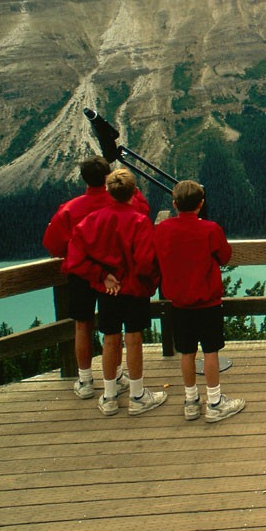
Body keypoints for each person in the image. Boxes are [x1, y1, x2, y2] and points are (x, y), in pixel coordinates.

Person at [43, 156, 150, 399]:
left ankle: (85, 380)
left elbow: (53, 245)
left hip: (83, 273)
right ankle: (119, 376)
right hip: (117, 275)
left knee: (83, 324)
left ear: (84, 179)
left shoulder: (70, 209)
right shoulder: (128, 202)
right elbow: (143, 210)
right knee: (114, 329)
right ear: (108, 176)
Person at [65, 169, 165, 416]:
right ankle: (137, 395)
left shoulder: (91, 221)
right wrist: (148, 284)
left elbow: (74, 261)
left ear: (108, 191)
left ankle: (109, 396)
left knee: (110, 338)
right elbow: (144, 261)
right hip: (134, 290)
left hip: (107, 291)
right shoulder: (140, 221)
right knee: (134, 339)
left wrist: (101, 276)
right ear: (134, 192)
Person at [155, 180, 246, 422]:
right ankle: (214, 402)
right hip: (208, 303)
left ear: (174, 204)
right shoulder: (210, 229)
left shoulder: (163, 229)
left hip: (179, 303)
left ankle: (191, 401)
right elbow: (224, 257)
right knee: (210, 351)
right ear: (201, 204)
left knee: (186, 352)